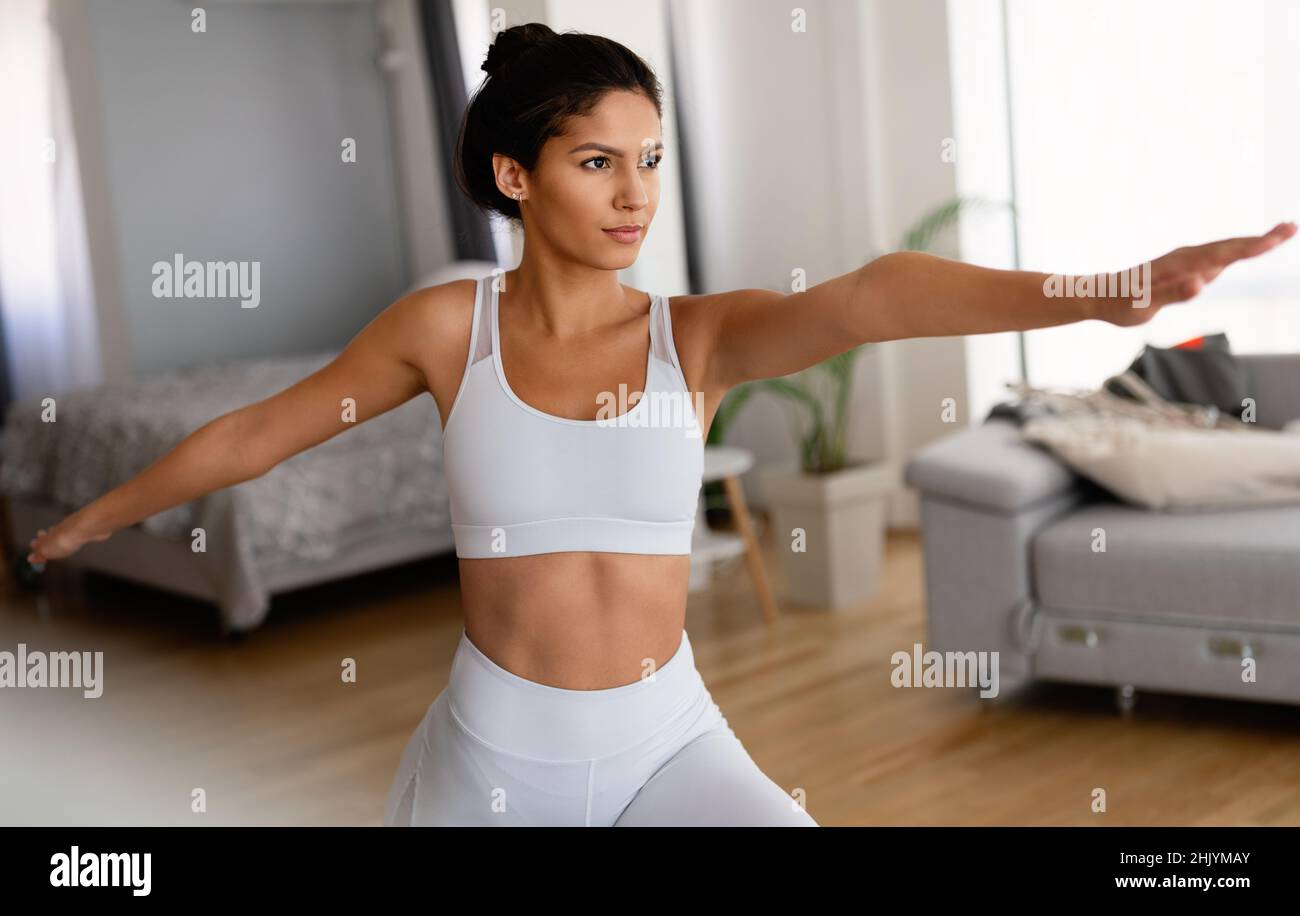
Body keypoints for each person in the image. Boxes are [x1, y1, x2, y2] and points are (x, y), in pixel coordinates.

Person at [26, 22, 1295, 827]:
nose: (635, 193)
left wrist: (1103, 289)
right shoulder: (440, 331)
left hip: (665, 739)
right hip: (495, 759)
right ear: (515, 177)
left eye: (651, 157)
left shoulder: (697, 338)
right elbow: (257, 435)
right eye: (596, 162)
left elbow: (874, 296)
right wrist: (90, 516)